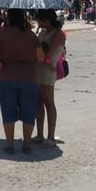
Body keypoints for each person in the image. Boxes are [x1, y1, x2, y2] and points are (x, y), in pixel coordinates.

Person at [0, 8, 44, 154]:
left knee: (8, 111)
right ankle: (26, 144)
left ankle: (10, 145)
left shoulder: (1, 34)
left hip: (6, 76)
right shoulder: (30, 35)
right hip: (29, 77)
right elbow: (40, 57)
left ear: (8, 17)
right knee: (29, 112)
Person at [33, 9, 66, 148]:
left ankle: (51, 137)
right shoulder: (43, 32)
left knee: (49, 103)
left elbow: (50, 55)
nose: (38, 23)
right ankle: (40, 134)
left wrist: (39, 52)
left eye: (39, 20)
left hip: (47, 70)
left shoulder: (58, 34)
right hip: (37, 70)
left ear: (46, 20)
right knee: (38, 103)